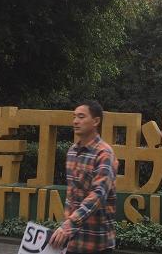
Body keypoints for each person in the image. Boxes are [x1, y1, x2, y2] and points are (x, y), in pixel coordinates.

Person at [49, 101, 118, 254]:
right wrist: (65, 228)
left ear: (96, 121)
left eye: (81, 117)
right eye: (74, 117)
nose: (75, 121)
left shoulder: (104, 153)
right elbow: (71, 196)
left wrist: (68, 226)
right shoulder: (72, 151)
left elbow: (98, 195)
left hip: (96, 244)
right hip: (71, 242)